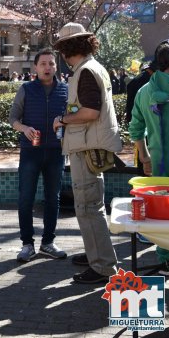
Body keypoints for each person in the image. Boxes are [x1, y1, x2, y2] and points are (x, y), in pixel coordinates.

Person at [52, 23, 122, 284]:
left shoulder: (85, 71)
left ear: (67, 49)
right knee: (92, 205)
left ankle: (102, 266)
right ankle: (97, 254)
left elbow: (89, 112)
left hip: (86, 146)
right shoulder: (95, 68)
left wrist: (63, 119)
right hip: (92, 145)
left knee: (88, 207)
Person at [9, 48, 68, 262]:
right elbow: (13, 118)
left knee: (53, 198)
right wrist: (24, 129)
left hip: (56, 151)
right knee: (26, 198)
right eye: (43, 63)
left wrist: (64, 123)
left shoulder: (65, 90)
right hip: (30, 152)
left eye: (51, 64)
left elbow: (73, 117)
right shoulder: (26, 89)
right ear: (35, 67)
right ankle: (27, 244)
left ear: (55, 67)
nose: (47, 67)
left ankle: (48, 242)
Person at [129, 37, 169, 274]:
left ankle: (167, 260)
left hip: (159, 166)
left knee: (163, 215)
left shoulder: (144, 92)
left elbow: (136, 129)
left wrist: (146, 158)